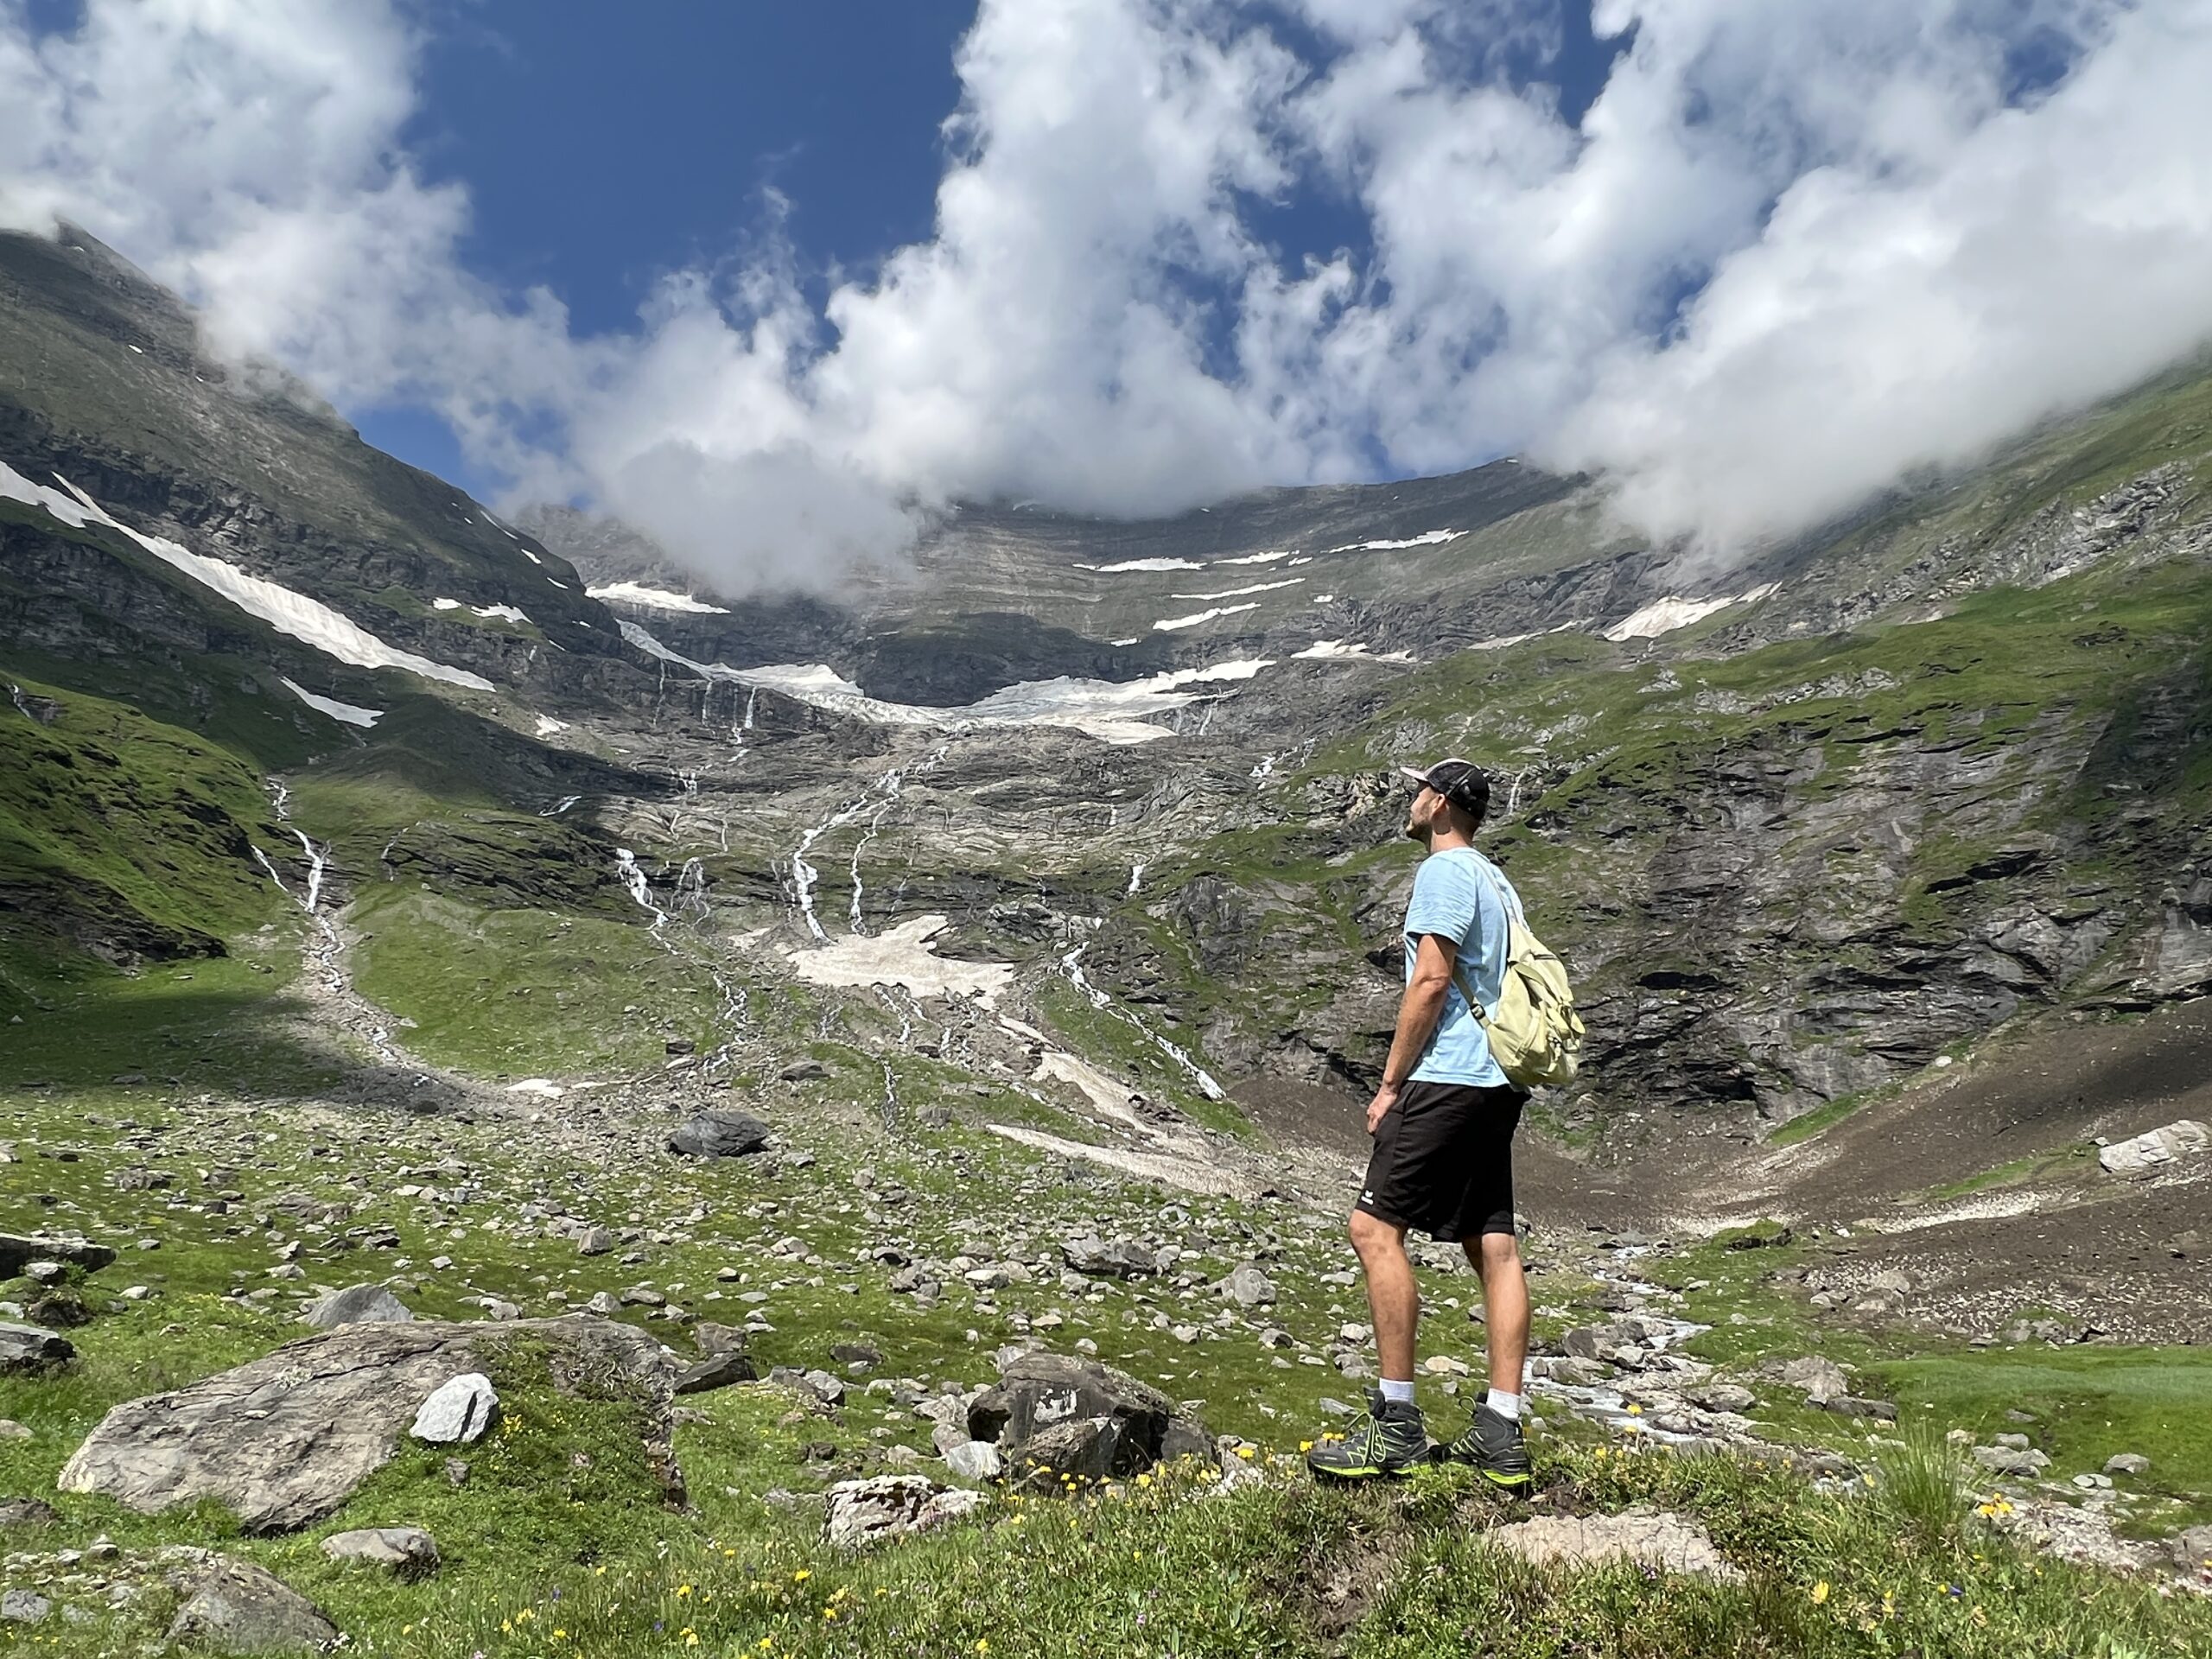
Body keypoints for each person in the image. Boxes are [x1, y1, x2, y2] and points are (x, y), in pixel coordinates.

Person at [1306, 757, 1534, 1490]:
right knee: (1492, 1241)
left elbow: (1432, 978)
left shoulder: (1443, 871)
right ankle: (1501, 1428)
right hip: (1499, 1081)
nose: (1408, 801)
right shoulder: (1497, 880)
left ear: (1438, 804)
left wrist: (1390, 1082)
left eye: (1416, 790)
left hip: (1448, 1075)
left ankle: (1396, 1424)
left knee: (1373, 1230)